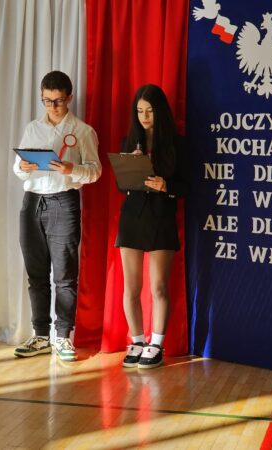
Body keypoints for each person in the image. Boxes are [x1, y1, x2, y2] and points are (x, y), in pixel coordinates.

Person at [13, 71, 101, 361]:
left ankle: (63, 337)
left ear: (69, 98)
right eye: (47, 101)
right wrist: (23, 167)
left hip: (64, 202)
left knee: (64, 275)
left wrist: (70, 169)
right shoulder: (33, 128)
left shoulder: (82, 131)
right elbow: (17, 168)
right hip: (32, 202)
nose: (52, 107)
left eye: (58, 101)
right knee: (36, 274)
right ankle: (40, 335)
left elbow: (95, 171)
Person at [116, 84, 189, 369]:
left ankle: (156, 343)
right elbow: (121, 187)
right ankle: (137, 340)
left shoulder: (177, 144)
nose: (144, 117)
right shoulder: (129, 141)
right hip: (132, 218)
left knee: (158, 286)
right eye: (139, 111)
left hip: (161, 218)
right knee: (131, 287)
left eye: (149, 111)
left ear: (160, 112)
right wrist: (131, 169)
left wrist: (166, 185)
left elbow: (189, 187)